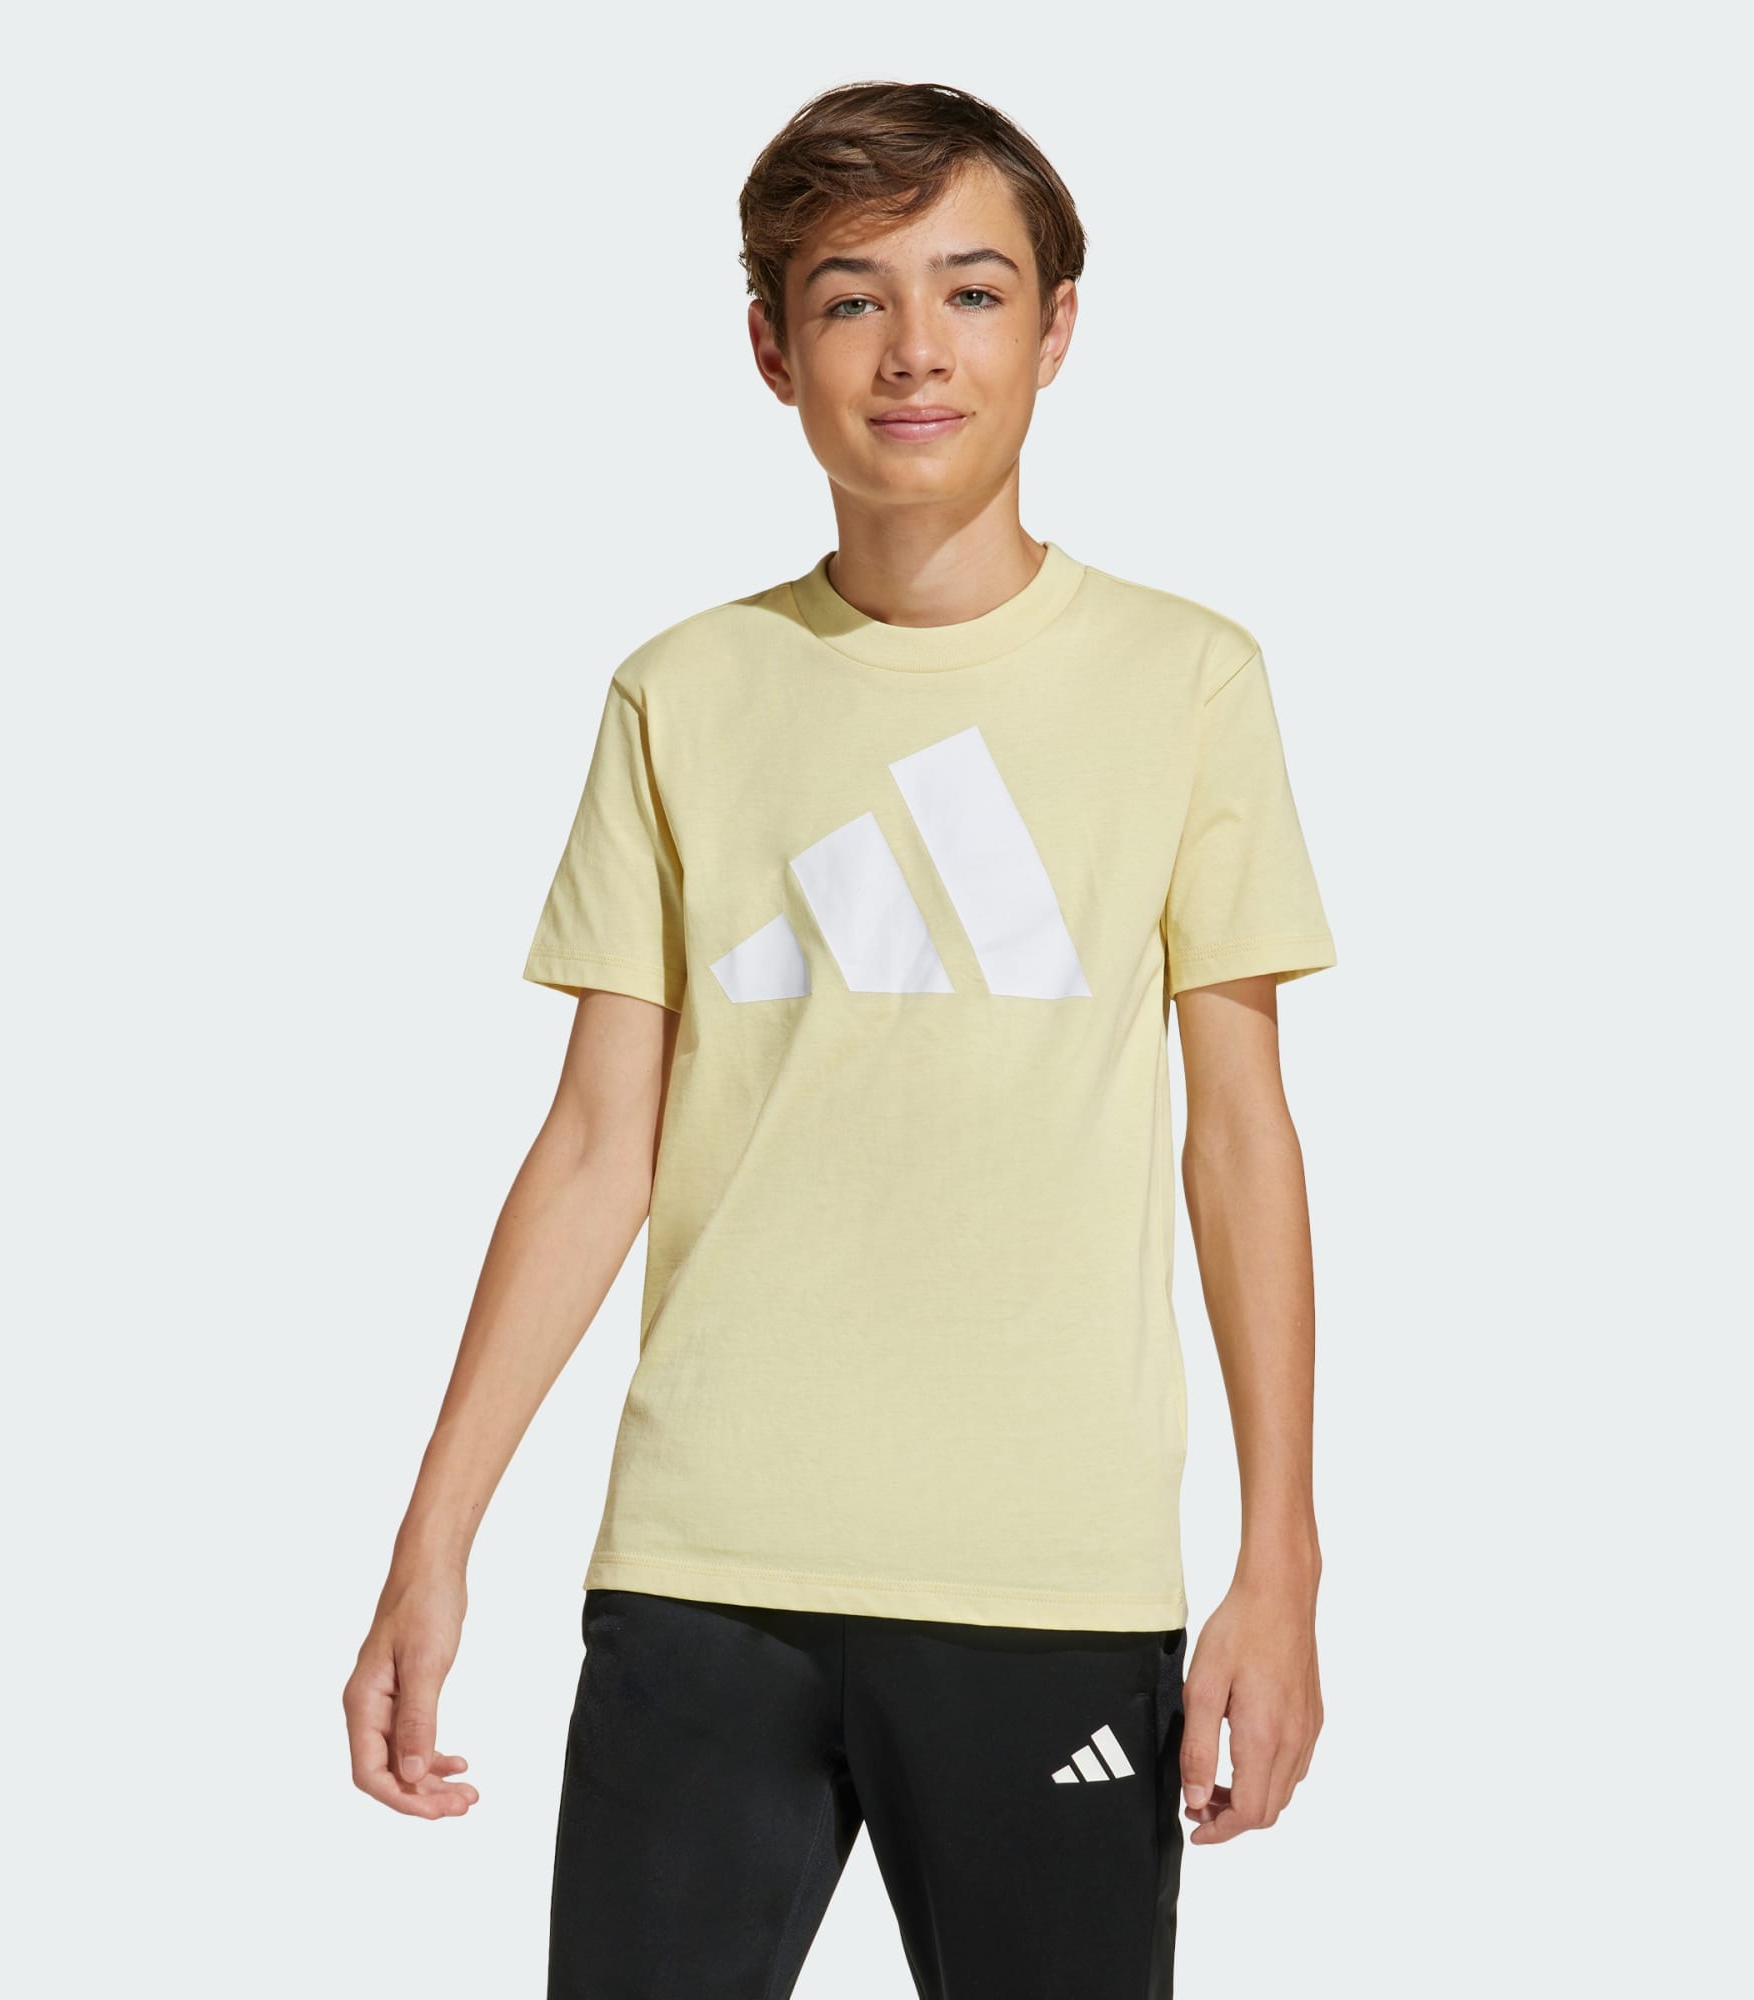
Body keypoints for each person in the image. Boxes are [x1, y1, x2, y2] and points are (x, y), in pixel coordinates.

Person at [344, 78, 1338, 2000]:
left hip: (1048, 1578)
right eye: (851, 298)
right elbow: (595, 1143)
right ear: (769, 348)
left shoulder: (1187, 681)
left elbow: (1241, 1139)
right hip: (703, 1573)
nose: (913, 351)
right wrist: (433, 1534)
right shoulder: (682, 692)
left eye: (971, 291)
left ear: (1057, 328)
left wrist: (1282, 1557)